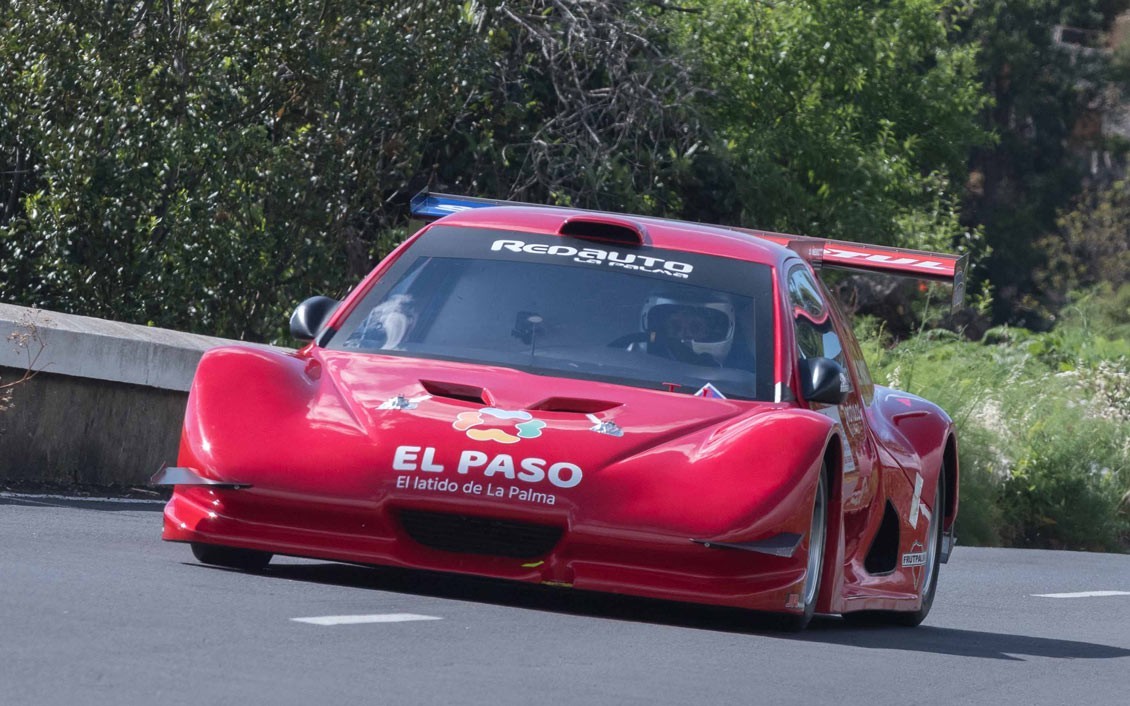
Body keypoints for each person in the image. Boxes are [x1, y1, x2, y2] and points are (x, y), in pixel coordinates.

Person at [639, 293, 735, 366]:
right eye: (675, 326)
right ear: (664, 327)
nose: (683, 334)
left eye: (695, 328)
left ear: (707, 333)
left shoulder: (713, 371)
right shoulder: (643, 360)